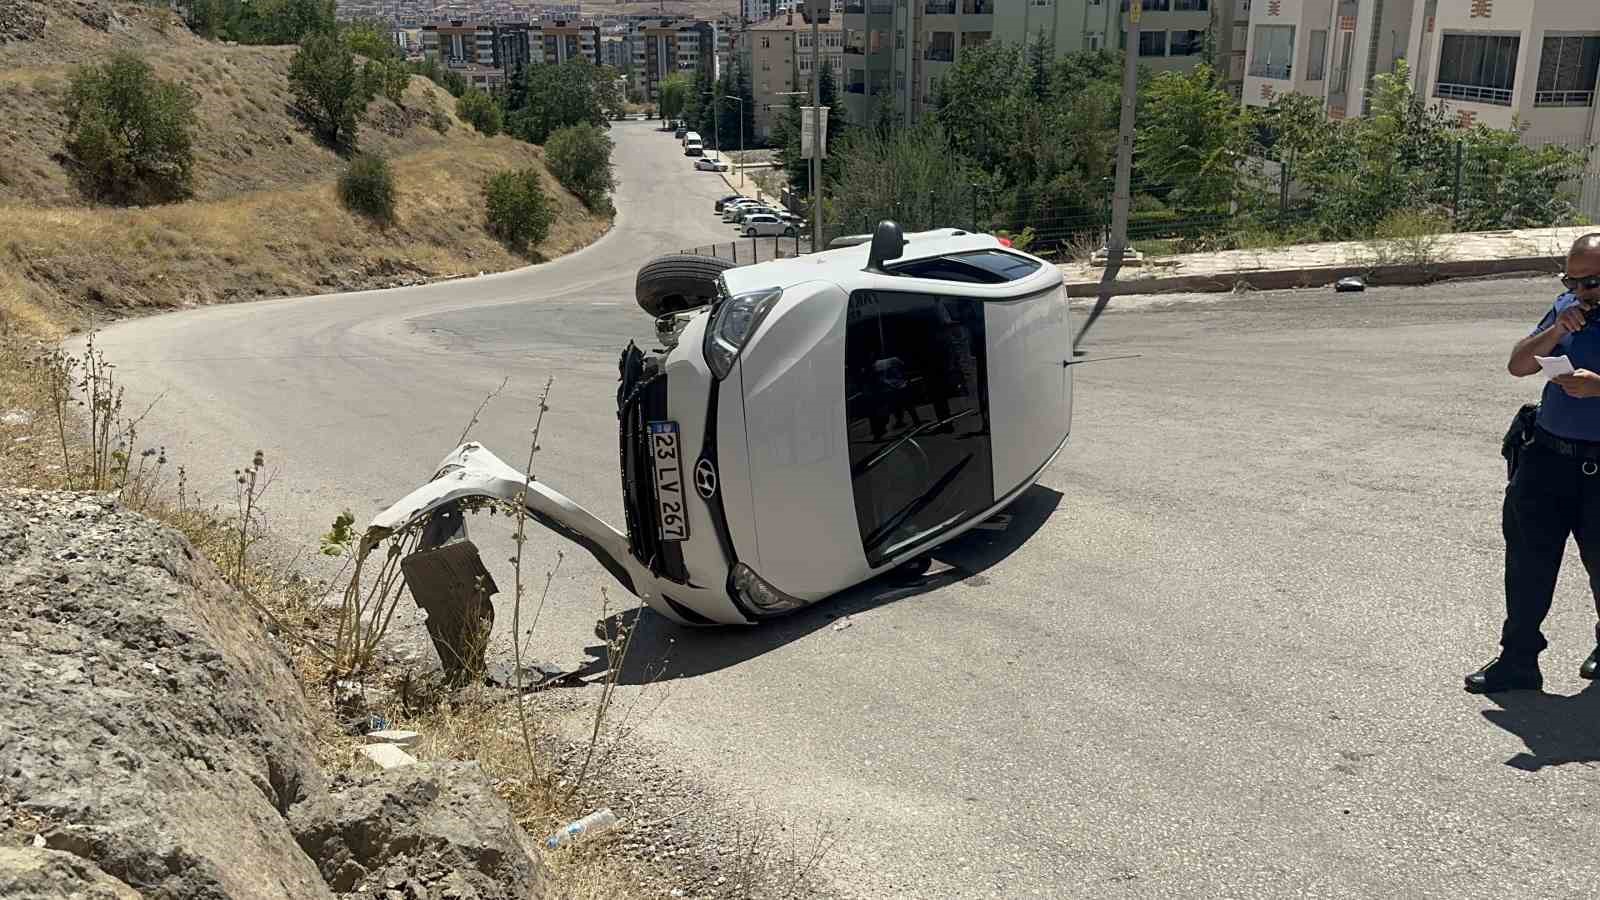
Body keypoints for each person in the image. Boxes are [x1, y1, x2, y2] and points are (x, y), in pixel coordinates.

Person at [1467, 233, 1600, 693]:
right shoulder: (1567, 309)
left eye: (1593, 283)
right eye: (1574, 280)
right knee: (1527, 563)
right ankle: (1519, 659)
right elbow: (1519, 365)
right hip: (1547, 456)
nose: (1583, 292)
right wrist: (1558, 329)